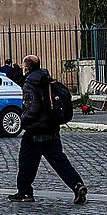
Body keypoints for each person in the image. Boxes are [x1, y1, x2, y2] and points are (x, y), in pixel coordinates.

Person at [9, 53, 85, 203]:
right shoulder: (47, 78)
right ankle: (77, 185)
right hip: (52, 127)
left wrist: (22, 119)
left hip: (36, 129)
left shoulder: (30, 82)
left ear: (26, 67)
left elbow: (33, 108)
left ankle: (24, 192)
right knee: (59, 160)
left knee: (26, 161)